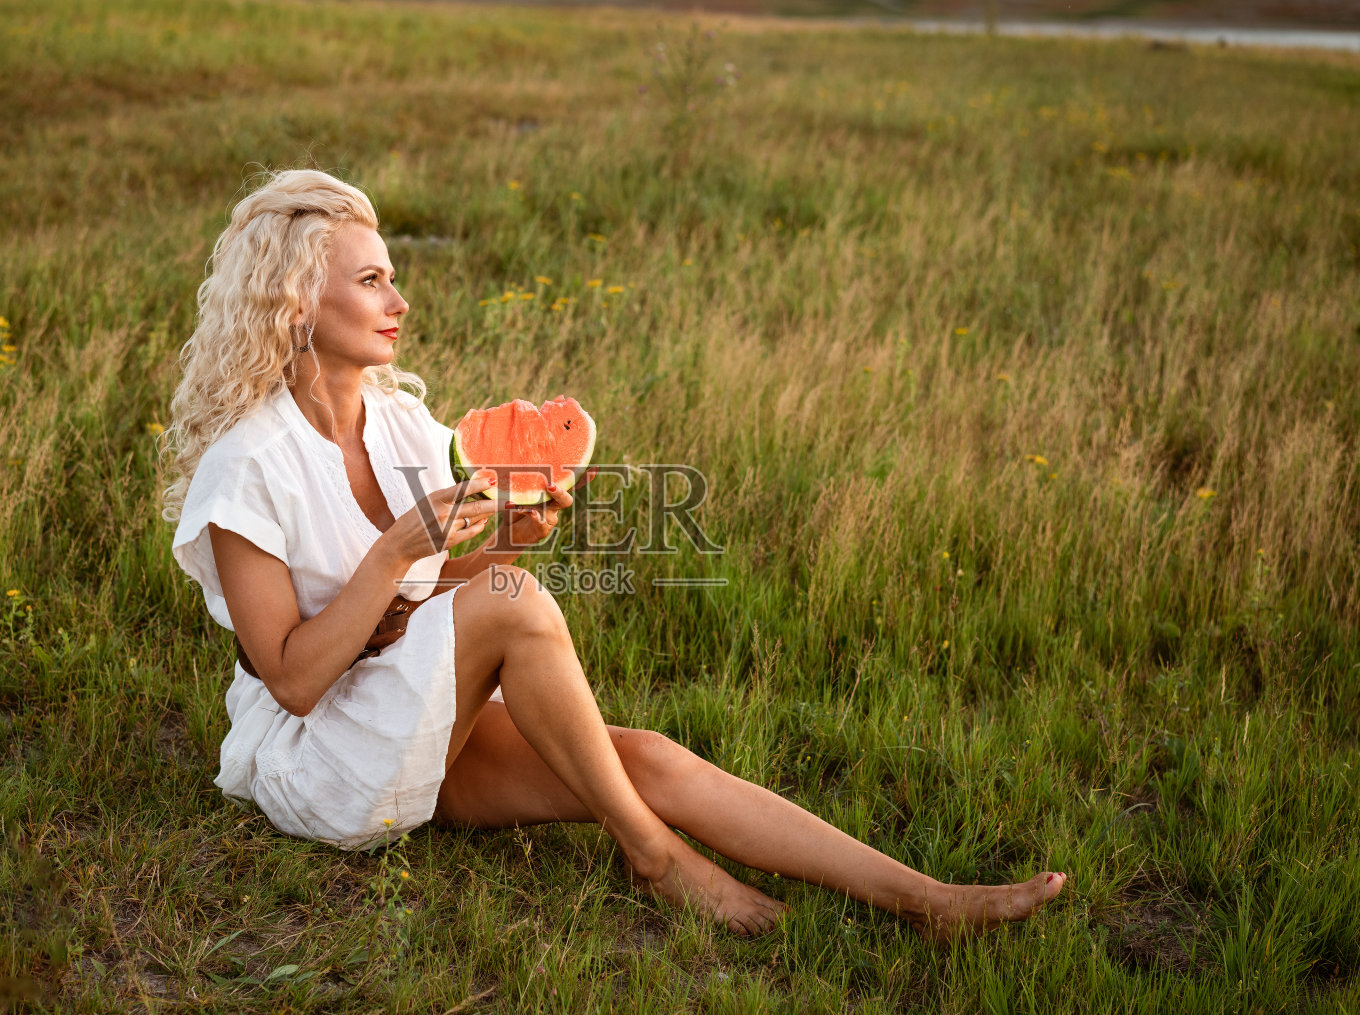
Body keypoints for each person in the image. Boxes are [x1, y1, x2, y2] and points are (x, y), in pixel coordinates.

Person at [164, 169, 1066, 938]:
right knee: (515, 598)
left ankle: (925, 899)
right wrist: (396, 553)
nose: (400, 303)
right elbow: (293, 680)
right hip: (320, 758)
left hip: (408, 708)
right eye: (372, 281)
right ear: (295, 301)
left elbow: (441, 597)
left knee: (650, 755)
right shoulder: (249, 465)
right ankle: (653, 852)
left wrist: (505, 538)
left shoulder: (402, 422)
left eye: (394, 278)